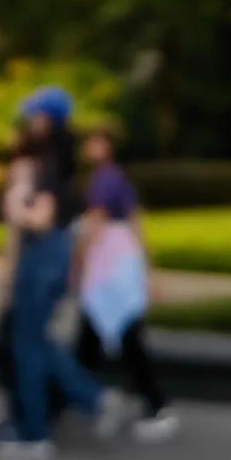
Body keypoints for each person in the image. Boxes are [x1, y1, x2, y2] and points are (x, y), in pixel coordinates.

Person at [0, 87, 126, 459]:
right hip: (52, 258)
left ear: (47, 119)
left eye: (35, 117)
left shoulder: (47, 164)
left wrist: (13, 203)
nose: (29, 124)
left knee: (28, 346)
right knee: (37, 341)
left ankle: (35, 433)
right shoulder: (62, 161)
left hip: (43, 257)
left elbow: (40, 218)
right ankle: (92, 398)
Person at [74, 128, 178, 442]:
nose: (87, 146)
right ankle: (78, 399)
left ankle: (155, 404)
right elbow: (137, 223)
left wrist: (76, 261)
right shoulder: (118, 178)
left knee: (120, 338)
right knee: (96, 339)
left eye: (94, 140)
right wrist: (147, 271)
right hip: (122, 266)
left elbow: (95, 221)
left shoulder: (103, 179)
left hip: (108, 267)